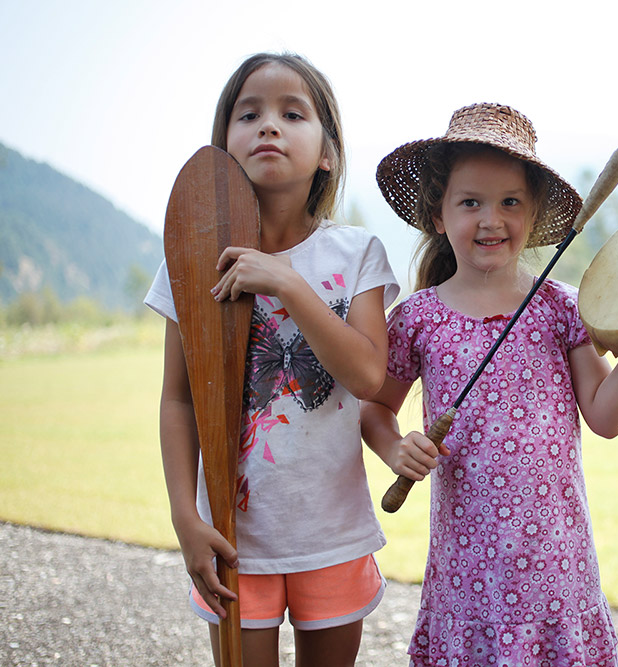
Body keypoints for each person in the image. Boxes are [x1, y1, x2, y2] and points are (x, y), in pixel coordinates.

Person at [361, 102, 618, 666]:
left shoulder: (562, 308)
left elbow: (607, 416)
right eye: (471, 202)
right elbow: (374, 409)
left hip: (557, 576)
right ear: (439, 215)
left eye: (509, 202)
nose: (491, 219)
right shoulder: (418, 318)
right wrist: (396, 446)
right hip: (468, 583)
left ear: (534, 212)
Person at [145, 52, 399, 667]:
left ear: (328, 152)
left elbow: (368, 375)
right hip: (234, 539)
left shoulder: (357, 252)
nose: (268, 126)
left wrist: (285, 284)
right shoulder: (193, 254)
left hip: (332, 534)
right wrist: (185, 516)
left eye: (293, 113)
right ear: (223, 143)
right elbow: (179, 398)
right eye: (248, 113)